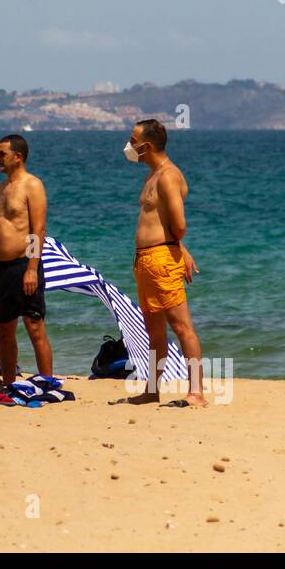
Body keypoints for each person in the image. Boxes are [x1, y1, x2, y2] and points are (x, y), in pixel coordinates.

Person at [121, 118, 205, 406]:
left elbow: (179, 224)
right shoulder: (152, 175)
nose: (129, 146)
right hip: (145, 261)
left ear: (147, 145)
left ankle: (196, 392)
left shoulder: (168, 176)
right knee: (154, 331)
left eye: (133, 141)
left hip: (161, 258)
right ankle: (153, 389)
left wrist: (178, 248)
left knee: (181, 326)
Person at [0, 134, 52, 387]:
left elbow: (39, 230)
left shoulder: (32, 185)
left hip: (23, 265)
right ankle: (9, 385)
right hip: (0, 268)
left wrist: (32, 269)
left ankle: (48, 384)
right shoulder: (3, 188)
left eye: (2, 154)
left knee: (34, 326)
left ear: (18, 156)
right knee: (4, 331)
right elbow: (2, 224)